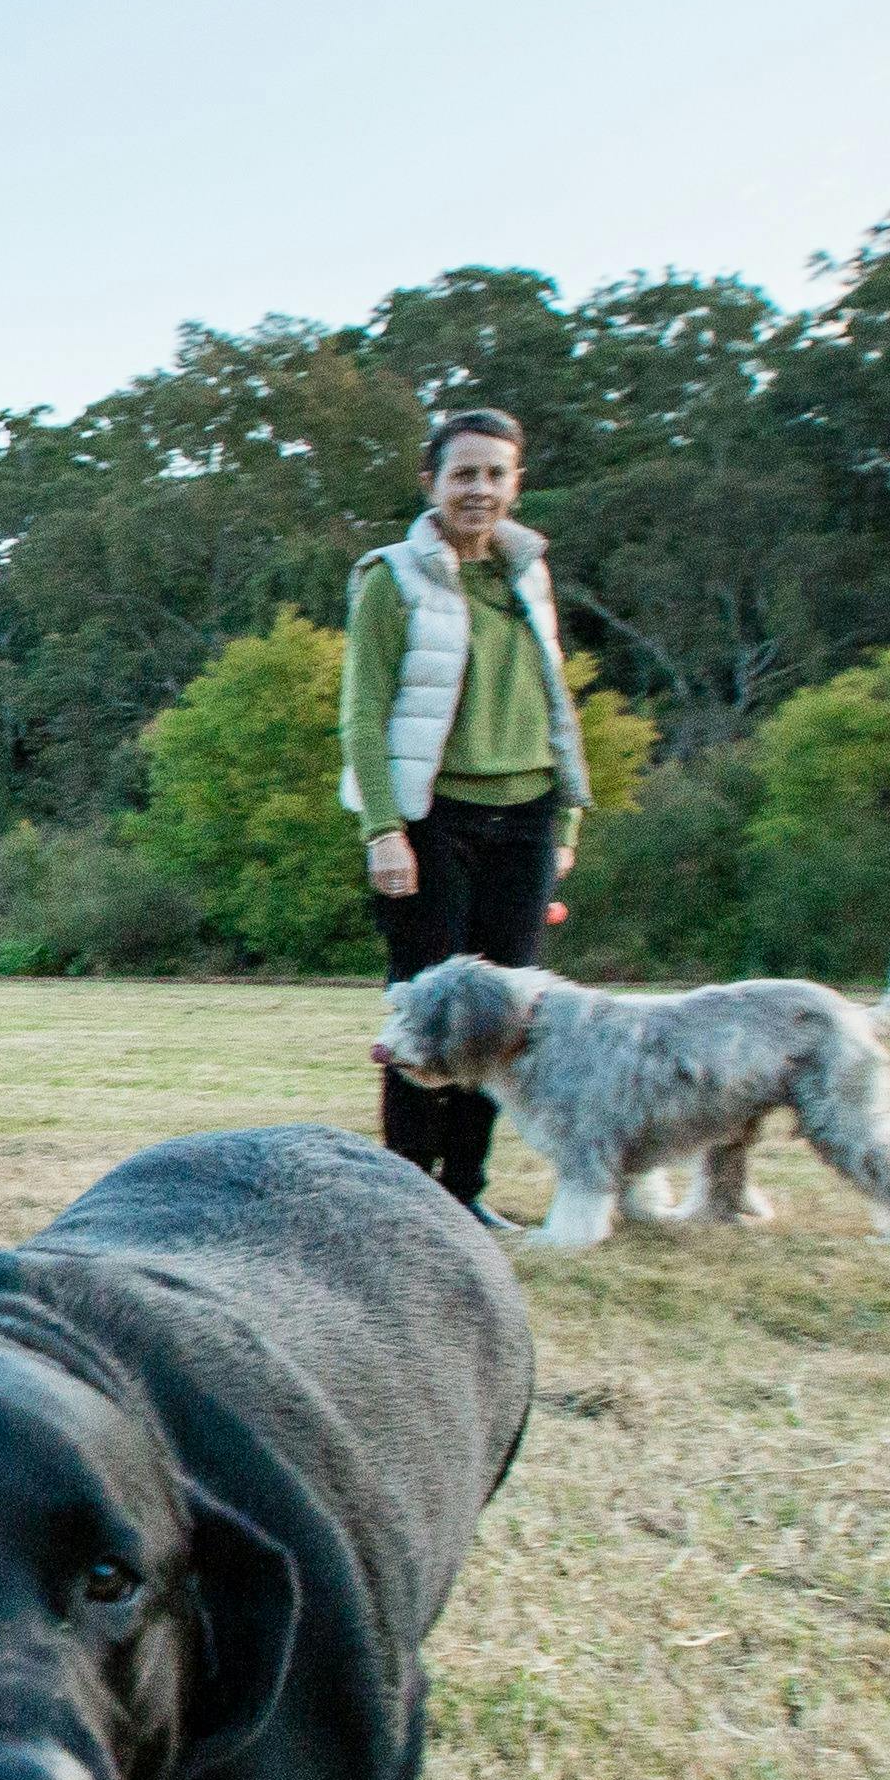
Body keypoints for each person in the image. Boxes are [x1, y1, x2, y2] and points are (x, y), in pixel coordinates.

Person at [342, 408, 587, 1226]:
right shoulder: (391, 578)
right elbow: (362, 715)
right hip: (430, 822)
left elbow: (554, 705)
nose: (478, 489)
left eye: (494, 473)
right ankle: (404, 1195)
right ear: (431, 483)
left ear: (515, 483)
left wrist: (565, 827)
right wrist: (384, 828)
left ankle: (463, 1195)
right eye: (462, 474)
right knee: (420, 1014)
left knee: (500, 1021)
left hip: (525, 817)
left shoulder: (528, 574)